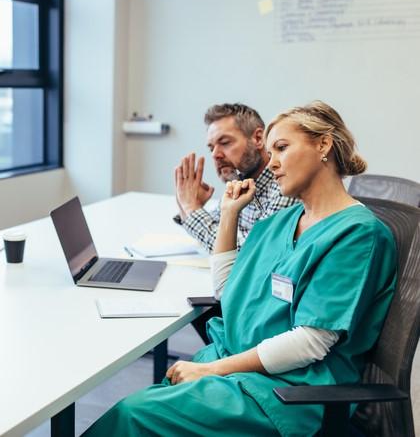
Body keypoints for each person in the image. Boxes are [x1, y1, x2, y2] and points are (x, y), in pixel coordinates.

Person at [84, 101, 397, 437]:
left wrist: (214, 370)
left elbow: (311, 343)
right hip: (239, 364)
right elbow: (228, 291)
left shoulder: (357, 234)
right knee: (147, 406)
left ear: (323, 145)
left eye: (281, 148)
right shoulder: (285, 221)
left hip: (287, 392)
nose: (272, 164)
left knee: (133, 416)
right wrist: (229, 214)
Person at [174, 103, 297, 252]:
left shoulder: (284, 186)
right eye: (211, 148)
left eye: (225, 143)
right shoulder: (239, 181)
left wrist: (191, 208)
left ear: (258, 139)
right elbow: (216, 227)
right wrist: (189, 203)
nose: (215, 155)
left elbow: (249, 252)